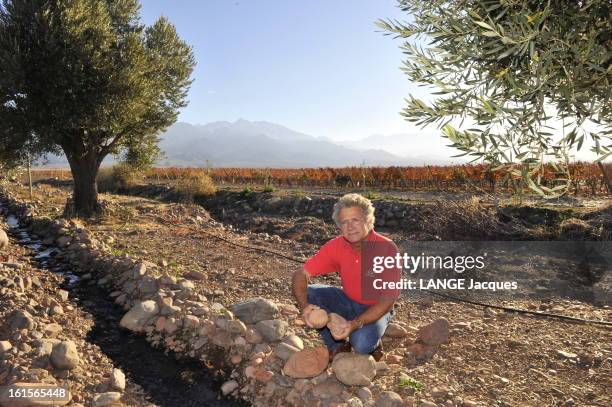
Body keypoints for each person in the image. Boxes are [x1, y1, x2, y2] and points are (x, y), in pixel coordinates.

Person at [291, 193, 400, 361]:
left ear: (368, 220)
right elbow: (301, 274)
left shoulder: (386, 249)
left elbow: (388, 299)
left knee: (362, 344)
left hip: (376, 308)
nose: (350, 227)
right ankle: (337, 345)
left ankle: (373, 343)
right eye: (344, 222)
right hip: (347, 301)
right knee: (310, 292)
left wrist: (355, 324)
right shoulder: (336, 245)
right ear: (339, 226)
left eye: (355, 220)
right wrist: (305, 306)